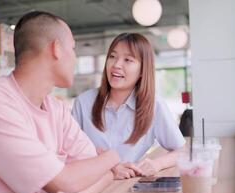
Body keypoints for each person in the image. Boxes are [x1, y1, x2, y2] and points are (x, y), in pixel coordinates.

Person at [0, 11, 120, 193]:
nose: (75, 58)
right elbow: (67, 182)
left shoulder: (56, 109)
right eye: (72, 48)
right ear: (56, 49)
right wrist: (112, 157)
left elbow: (96, 171)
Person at [72, 33, 186, 180]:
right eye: (112, 57)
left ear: (142, 71)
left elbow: (182, 151)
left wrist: (157, 164)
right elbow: (70, 151)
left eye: (128, 60)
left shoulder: (153, 106)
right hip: (89, 185)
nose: (116, 65)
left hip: (125, 188)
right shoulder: (83, 102)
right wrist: (111, 166)